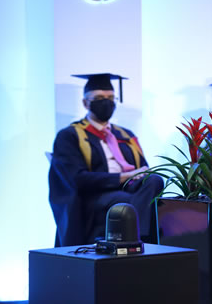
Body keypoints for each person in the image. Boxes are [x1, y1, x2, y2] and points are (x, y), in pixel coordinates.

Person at [49, 73, 163, 246]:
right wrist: (123, 177)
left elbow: (143, 168)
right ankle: (141, 239)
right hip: (95, 195)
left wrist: (140, 175)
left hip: (130, 188)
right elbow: (76, 179)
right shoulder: (70, 136)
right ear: (85, 103)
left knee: (155, 180)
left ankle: (138, 235)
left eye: (111, 97)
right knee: (125, 204)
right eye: (99, 98)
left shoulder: (126, 135)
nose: (106, 102)